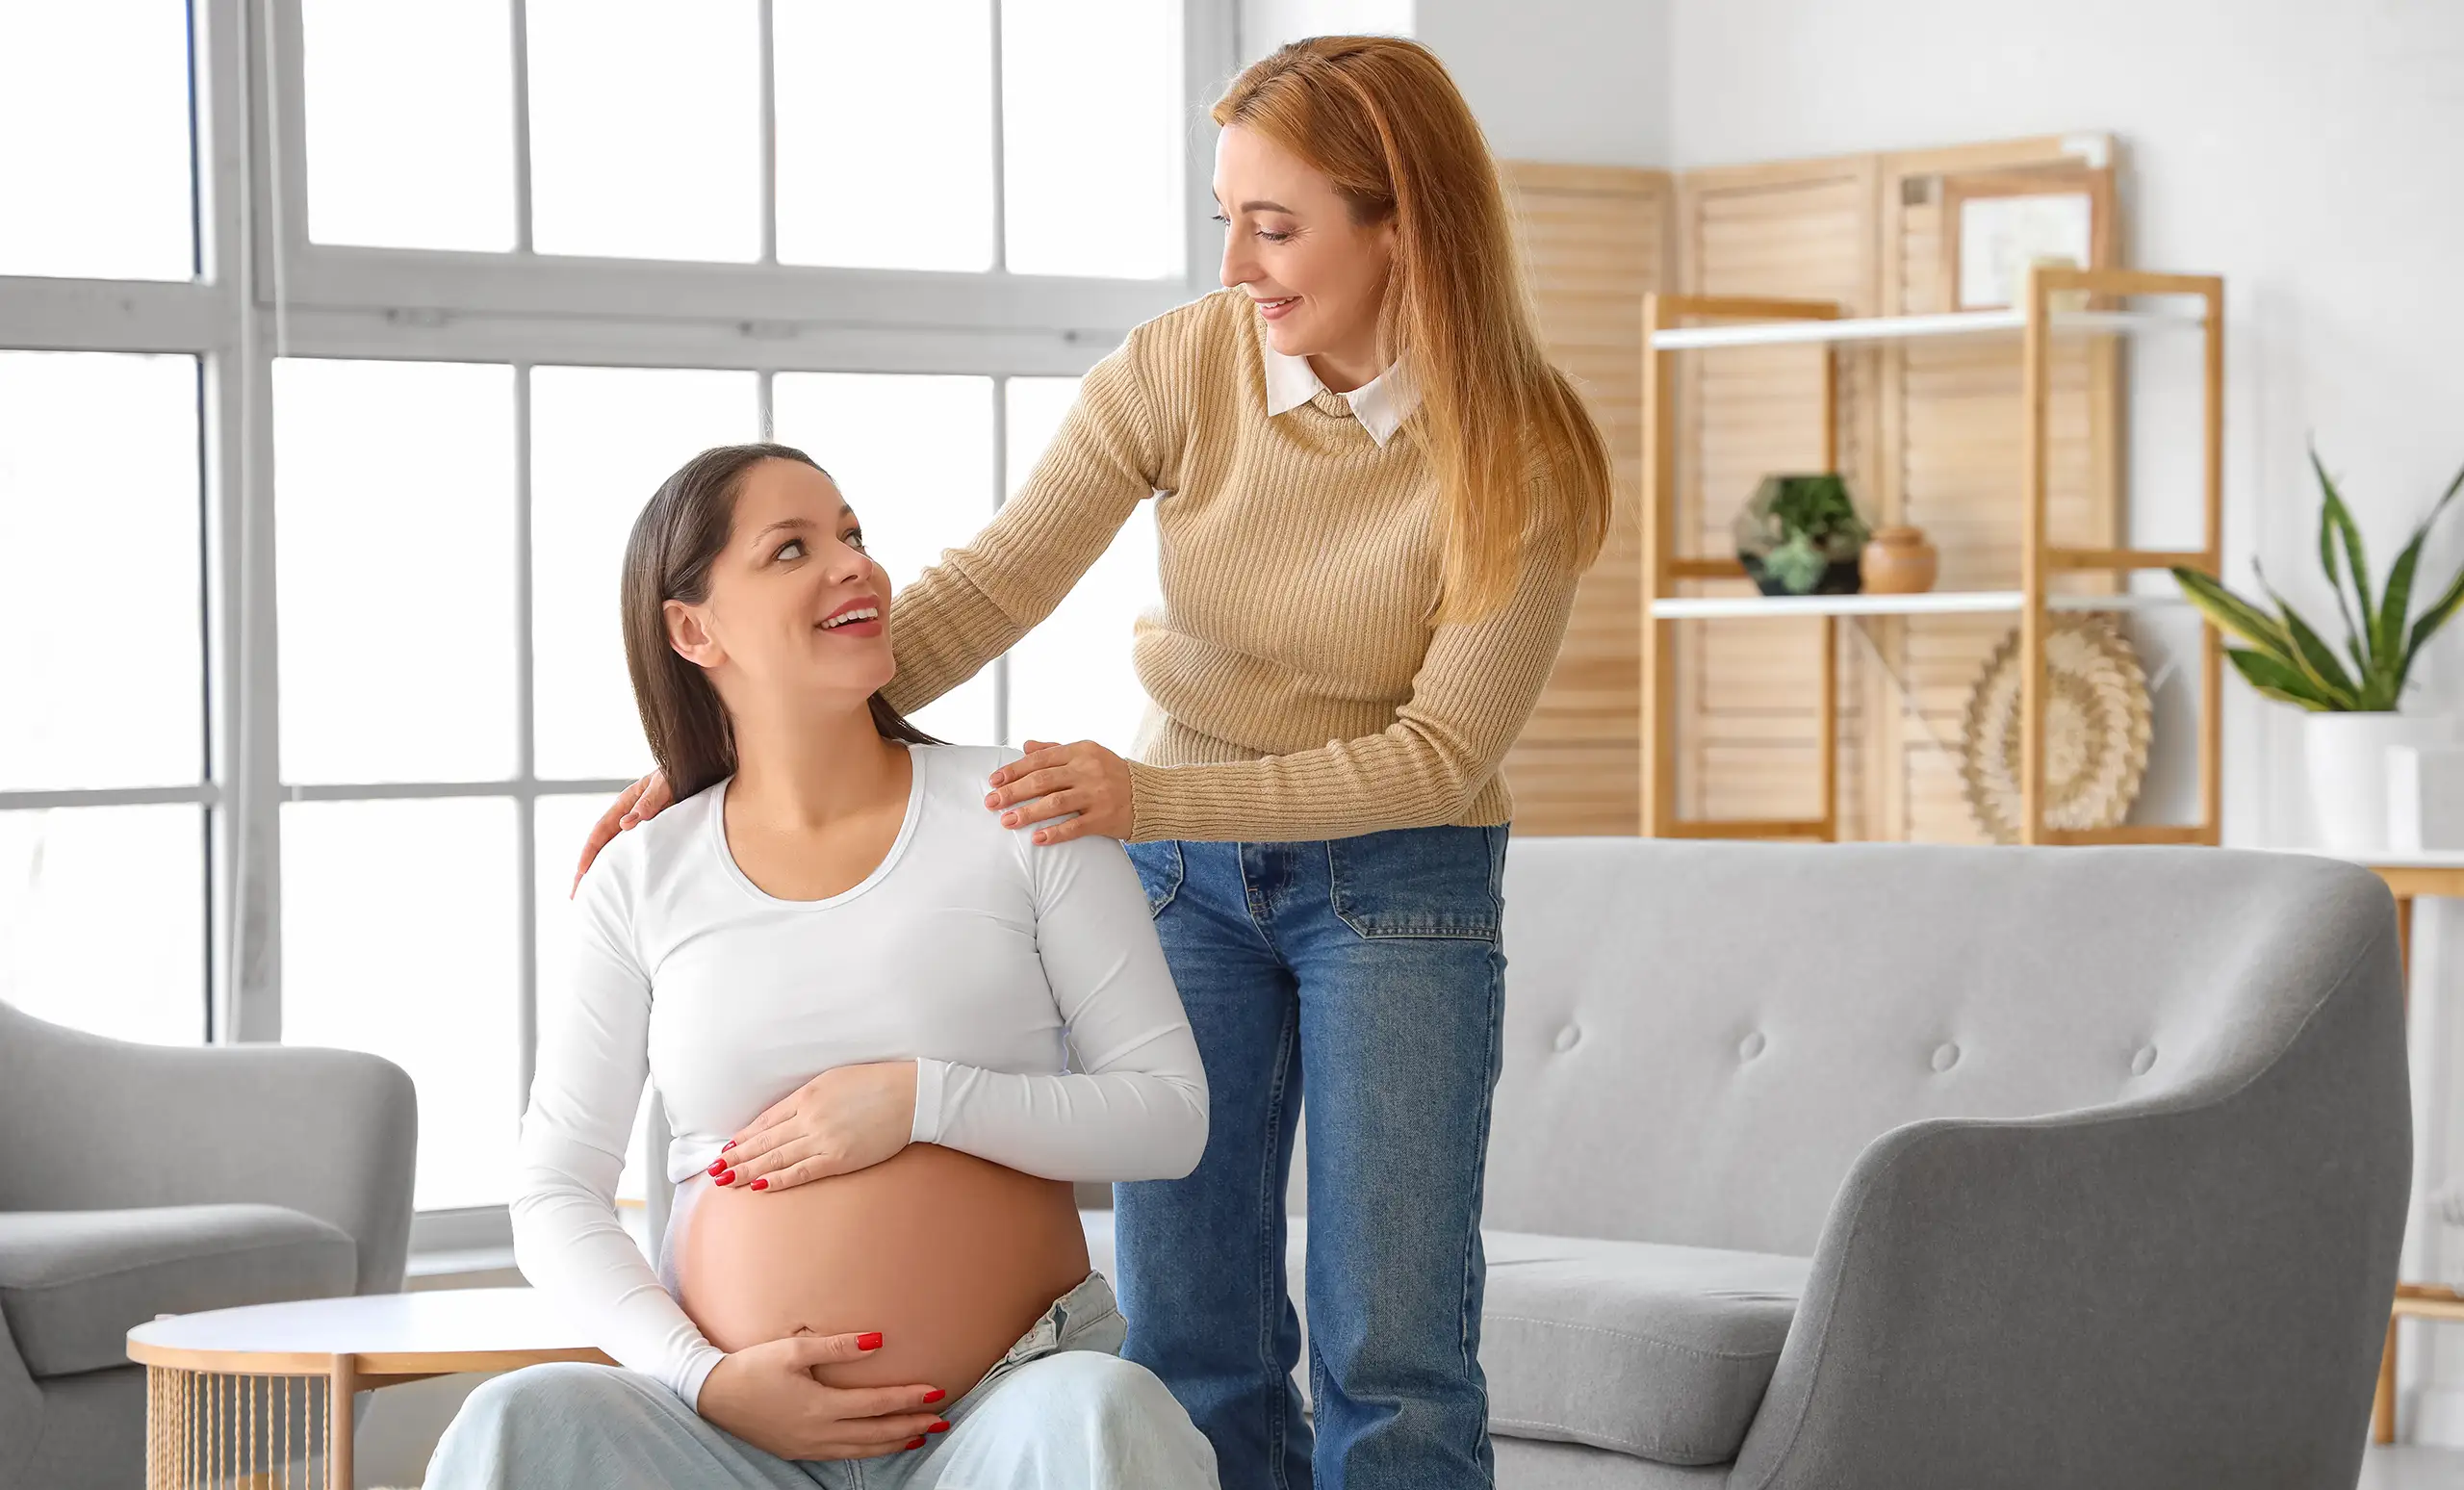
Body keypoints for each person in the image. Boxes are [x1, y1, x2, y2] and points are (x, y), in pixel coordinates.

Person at [577, 36, 1611, 1490]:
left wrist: (1152, 800)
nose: (1241, 263)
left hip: (1398, 879)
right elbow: (997, 583)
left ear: (1403, 223)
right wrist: (713, 757)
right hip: (1184, 883)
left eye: (1279, 224)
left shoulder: (1524, 451)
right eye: (1226, 220)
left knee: (1393, 1343)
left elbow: (1438, 758)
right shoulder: (1189, 364)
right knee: (1190, 1333)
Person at [430, 443, 1220, 1489]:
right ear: (691, 628)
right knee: (516, 1422)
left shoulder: (1022, 816)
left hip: (1008, 1408)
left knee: (1108, 1415)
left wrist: (922, 1101)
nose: (853, 565)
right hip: (725, 1440)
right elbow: (554, 1189)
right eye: (792, 548)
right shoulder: (643, 877)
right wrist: (700, 1377)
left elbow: (1167, 1116)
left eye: (852, 535)